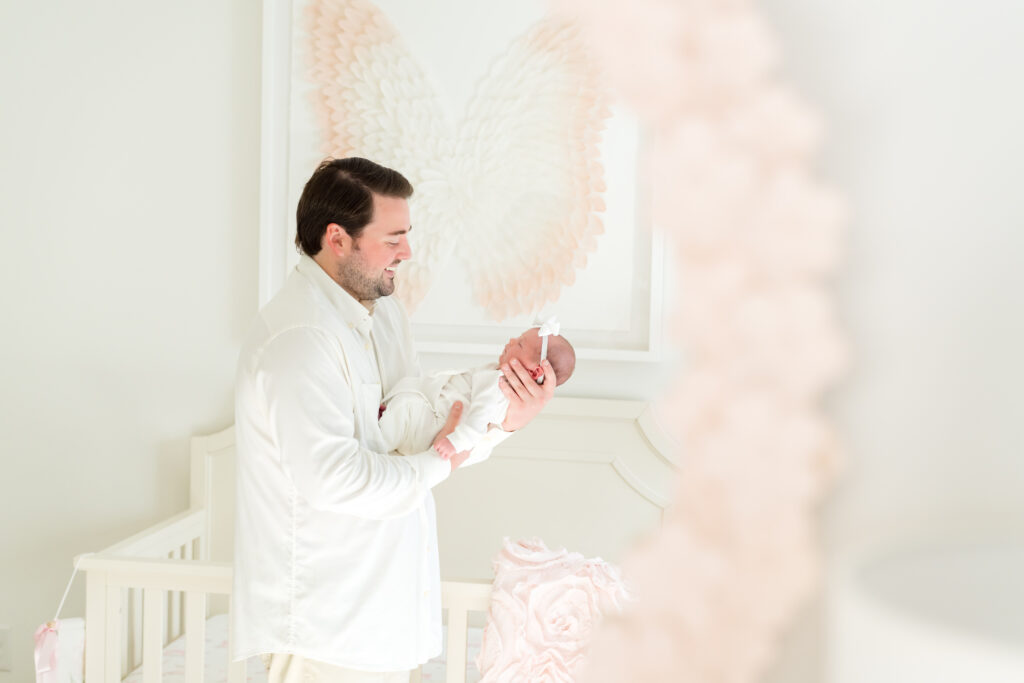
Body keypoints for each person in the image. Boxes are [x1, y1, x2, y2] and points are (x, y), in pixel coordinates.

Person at [232, 157, 555, 683]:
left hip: (386, 624)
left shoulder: (385, 317)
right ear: (337, 238)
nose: (407, 252)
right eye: (393, 238)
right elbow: (338, 479)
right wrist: (441, 463)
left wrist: (503, 419)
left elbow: (422, 437)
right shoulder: (300, 341)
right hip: (327, 632)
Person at [380, 325, 575, 459]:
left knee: (407, 406)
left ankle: (378, 435)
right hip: (427, 430)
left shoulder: (498, 384)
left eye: (521, 344)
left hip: (429, 429)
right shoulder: (501, 385)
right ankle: (385, 422)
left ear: (535, 371)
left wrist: (455, 442)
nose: (512, 340)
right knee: (405, 403)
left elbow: (478, 420)